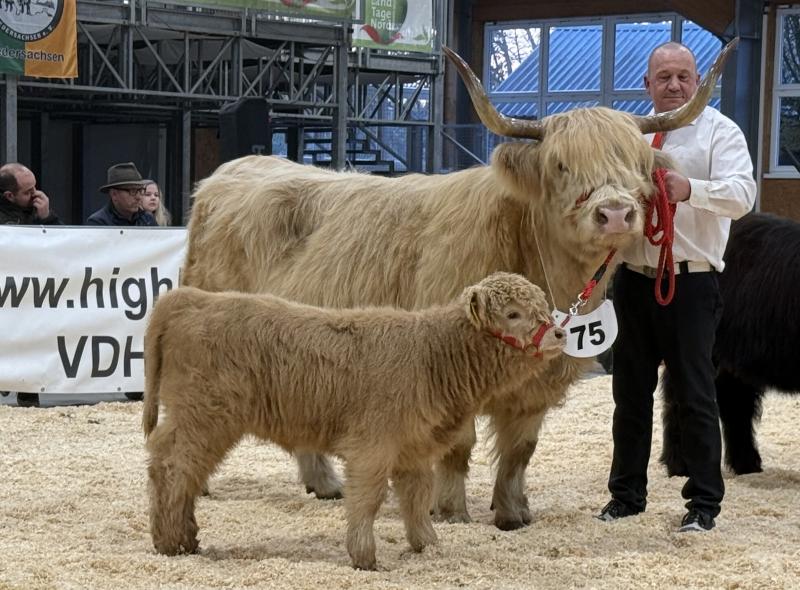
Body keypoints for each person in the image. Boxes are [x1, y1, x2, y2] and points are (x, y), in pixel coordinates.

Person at [596, 42, 757, 532]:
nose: (674, 85)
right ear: (647, 84)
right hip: (633, 282)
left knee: (694, 393)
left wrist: (691, 189)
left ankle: (704, 504)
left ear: (698, 81)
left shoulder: (721, 131)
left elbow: (743, 195)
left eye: (683, 76)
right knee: (629, 395)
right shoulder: (629, 135)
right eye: (664, 77)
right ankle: (625, 496)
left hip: (691, 282)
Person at [1, 162, 63, 407]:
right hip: (7, 293)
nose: (36, 194)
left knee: (31, 339)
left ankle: (28, 394)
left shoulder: (37, 210)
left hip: (31, 294)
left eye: (35, 187)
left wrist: (48, 218)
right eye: (28, 191)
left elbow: (64, 245)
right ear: (9, 195)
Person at [86, 162, 157, 226]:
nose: (138, 197)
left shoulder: (147, 220)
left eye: (140, 190)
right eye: (133, 191)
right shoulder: (99, 223)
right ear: (114, 194)